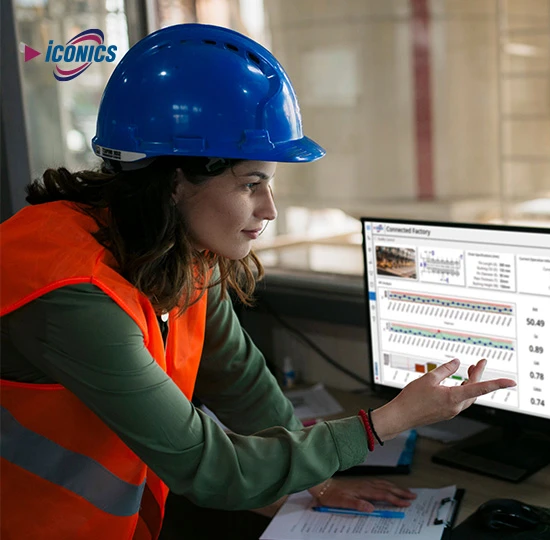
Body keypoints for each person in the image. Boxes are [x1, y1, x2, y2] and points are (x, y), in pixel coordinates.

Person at [0, 23, 516, 540]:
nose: (269, 209)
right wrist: (384, 422)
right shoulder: (72, 294)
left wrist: (317, 480)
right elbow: (215, 470)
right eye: (252, 184)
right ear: (175, 181)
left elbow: (239, 379)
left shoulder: (172, 248)